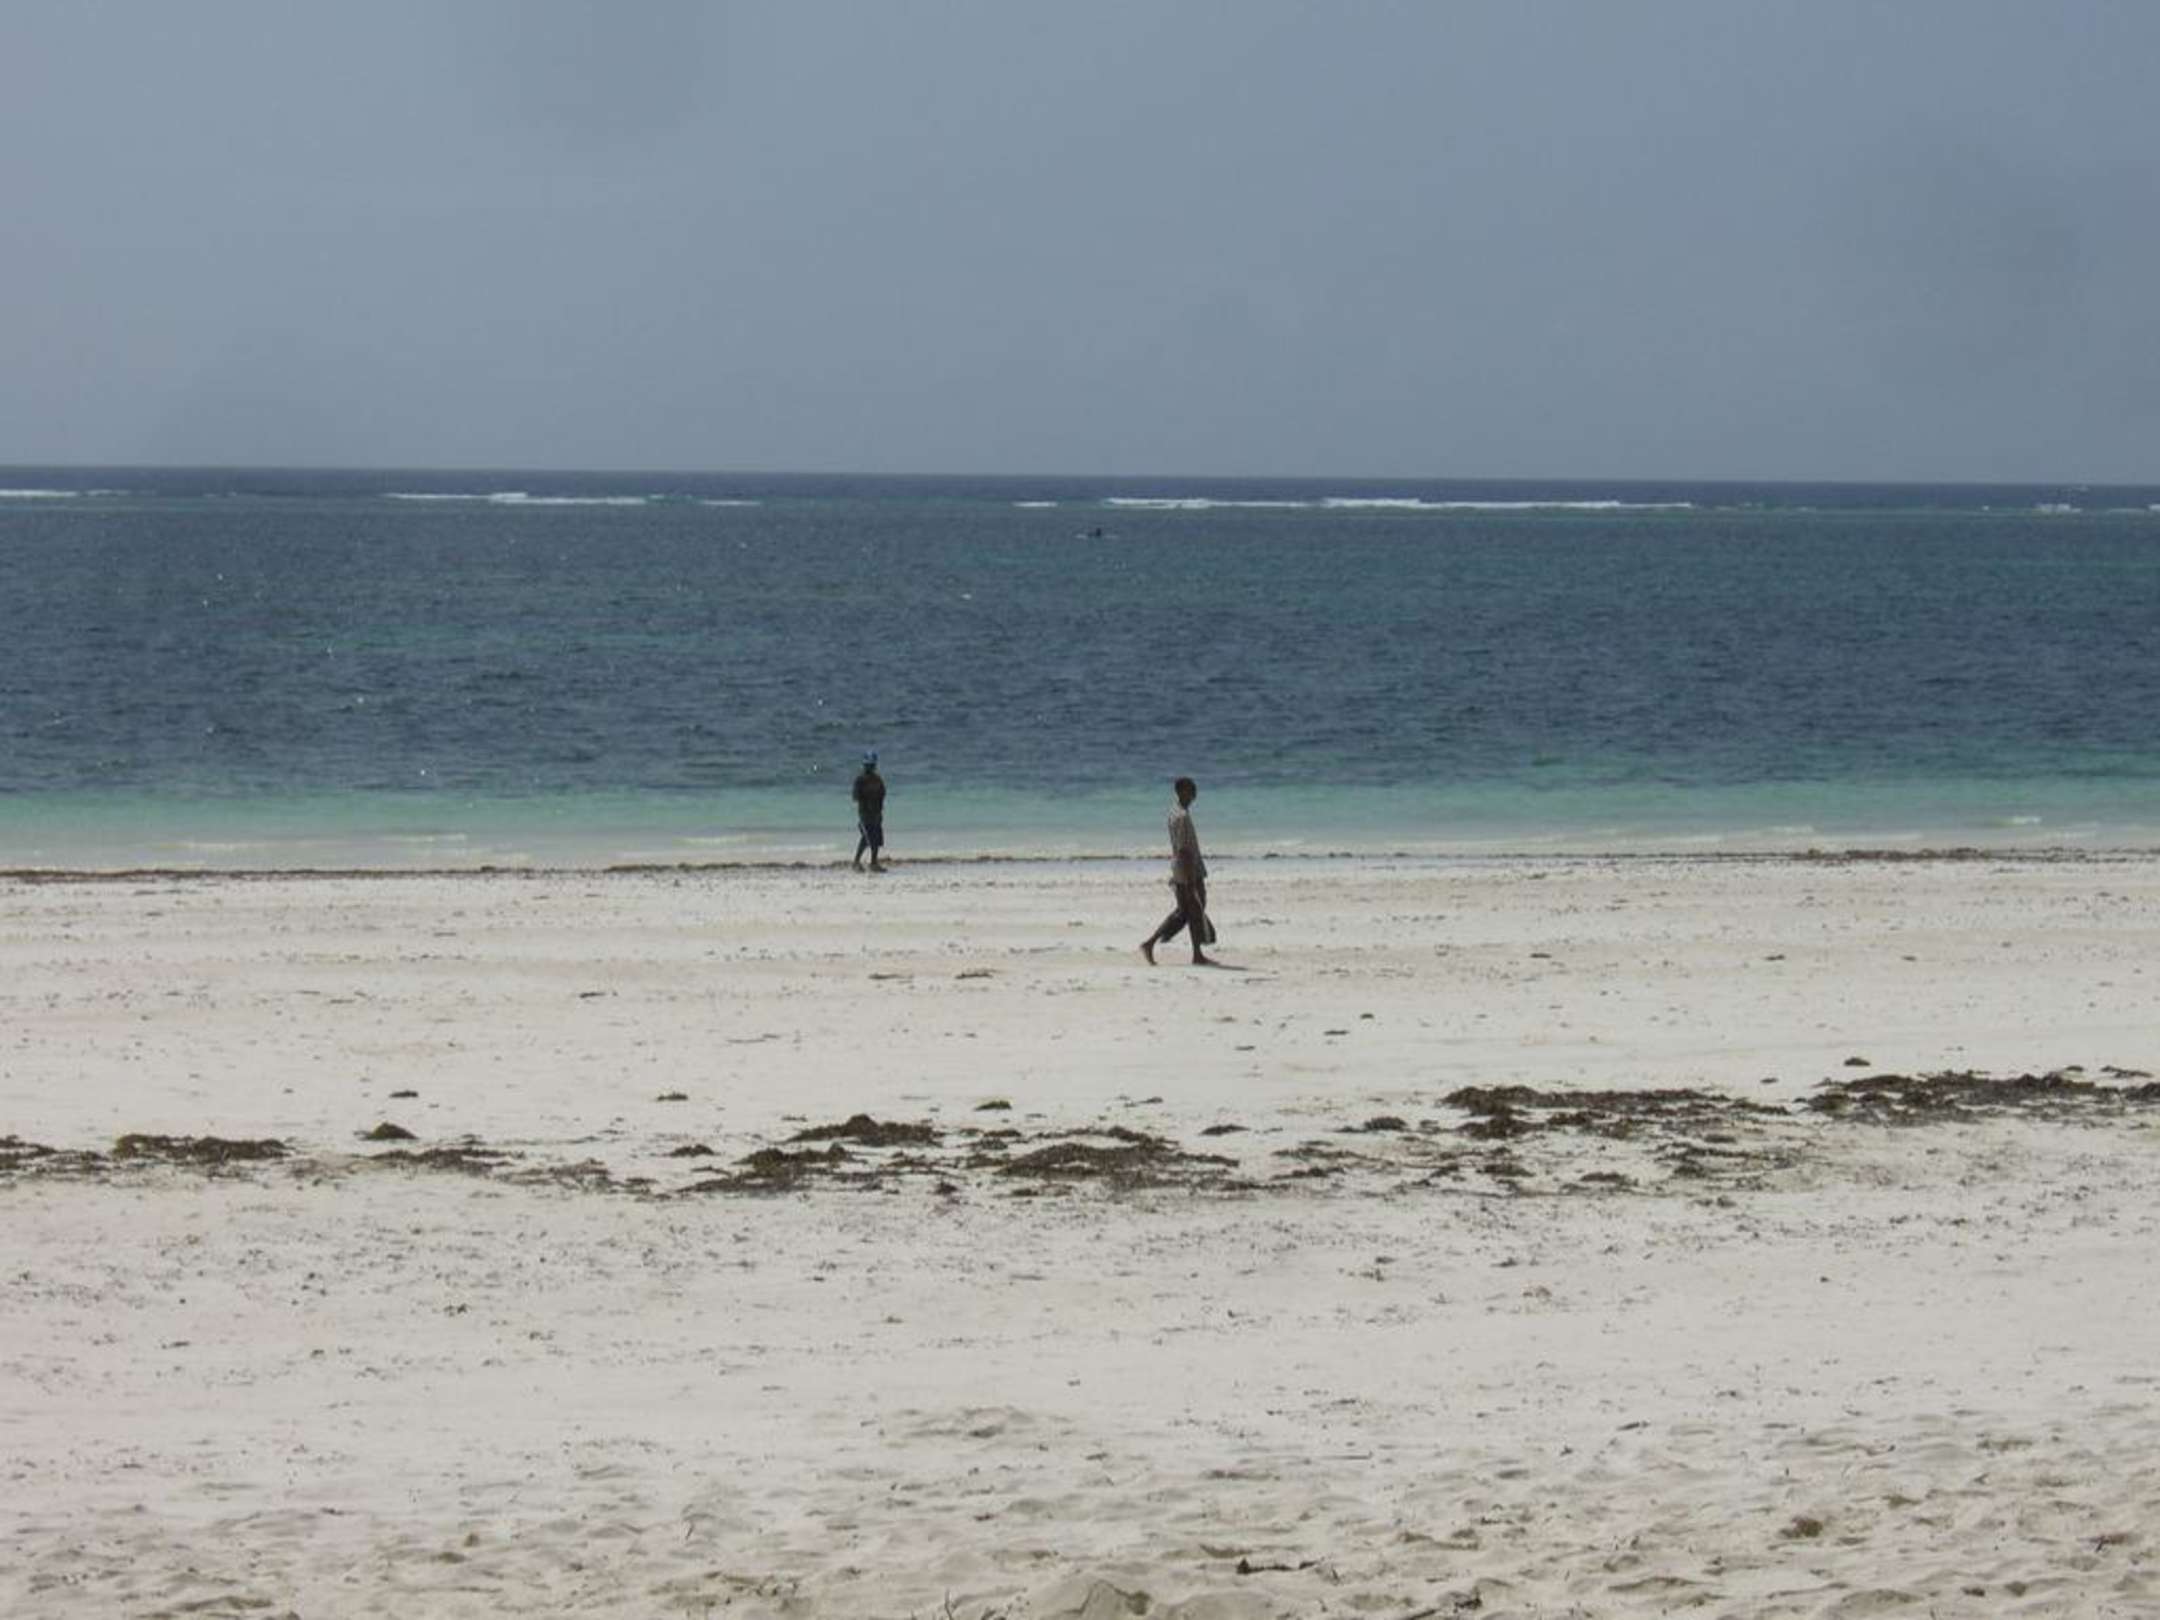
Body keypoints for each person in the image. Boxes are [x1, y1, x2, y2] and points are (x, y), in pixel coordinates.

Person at [1141, 776, 1217, 965]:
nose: (1194, 795)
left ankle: (1153, 944)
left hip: (1181, 867)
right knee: (1194, 909)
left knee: (1186, 911)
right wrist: (1190, 878)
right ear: (1182, 792)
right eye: (1192, 791)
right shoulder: (1181, 816)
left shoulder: (1174, 812)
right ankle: (1194, 954)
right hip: (1187, 869)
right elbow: (1183, 849)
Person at [852, 752, 887, 872]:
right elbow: (855, 797)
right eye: (867, 766)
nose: (869, 768)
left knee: (876, 839)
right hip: (865, 814)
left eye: (871, 766)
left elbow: (882, 794)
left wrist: (879, 811)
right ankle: (856, 862)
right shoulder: (860, 780)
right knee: (866, 838)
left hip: (876, 814)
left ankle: (874, 863)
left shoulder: (878, 779)